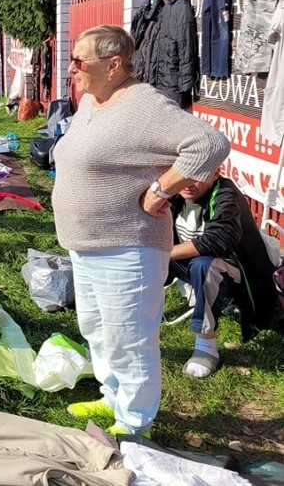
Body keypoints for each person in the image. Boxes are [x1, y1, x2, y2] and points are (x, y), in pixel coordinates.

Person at [52, 25, 230, 436]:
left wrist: (159, 190)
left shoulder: (144, 104)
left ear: (114, 65)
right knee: (97, 329)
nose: (71, 68)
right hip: (87, 245)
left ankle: (135, 423)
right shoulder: (92, 101)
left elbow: (209, 144)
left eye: (80, 61)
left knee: (128, 339)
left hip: (127, 246)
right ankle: (111, 397)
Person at [168, 172, 282, 377]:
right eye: (183, 174)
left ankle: (205, 345)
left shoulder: (225, 194)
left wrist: (165, 253)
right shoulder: (175, 191)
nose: (188, 183)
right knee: (144, 255)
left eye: (198, 175)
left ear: (215, 172)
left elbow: (220, 238)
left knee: (205, 265)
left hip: (237, 272)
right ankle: (140, 322)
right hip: (193, 263)